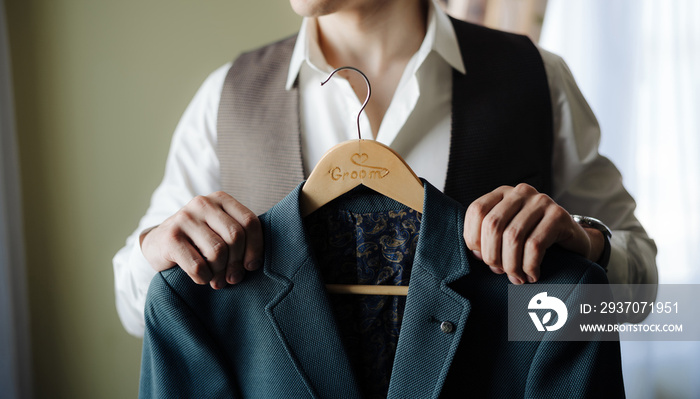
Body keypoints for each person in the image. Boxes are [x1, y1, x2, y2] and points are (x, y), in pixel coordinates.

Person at [113, 0, 657, 337]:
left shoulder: (537, 80)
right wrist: (159, 251)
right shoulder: (226, 98)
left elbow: (639, 306)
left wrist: (582, 250)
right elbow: (137, 312)